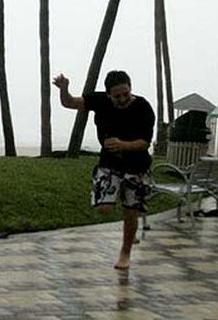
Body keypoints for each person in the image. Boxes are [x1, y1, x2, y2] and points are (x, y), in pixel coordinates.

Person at [53, 70, 155, 270]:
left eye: (126, 93)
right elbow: (69, 103)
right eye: (117, 96)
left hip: (136, 165)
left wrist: (122, 144)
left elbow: (144, 143)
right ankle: (106, 188)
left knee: (130, 211)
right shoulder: (99, 101)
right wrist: (64, 89)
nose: (123, 98)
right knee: (104, 209)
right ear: (108, 94)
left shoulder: (143, 107)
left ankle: (125, 253)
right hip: (109, 163)